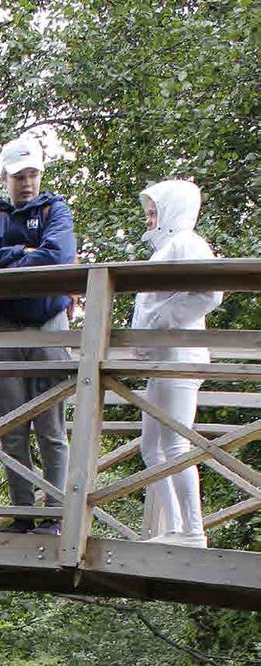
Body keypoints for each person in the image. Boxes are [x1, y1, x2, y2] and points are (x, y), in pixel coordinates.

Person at [0, 135, 76, 533]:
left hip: (49, 327)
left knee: (51, 428)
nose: (26, 183)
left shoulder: (56, 211)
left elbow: (57, 256)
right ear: (5, 177)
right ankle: (24, 514)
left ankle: (54, 515)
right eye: (18, 176)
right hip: (5, 330)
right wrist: (22, 254)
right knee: (11, 430)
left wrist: (9, 263)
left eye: (32, 174)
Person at [131, 179, 221, 547]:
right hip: (161, 359)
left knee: (175, 445)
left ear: (172, 211)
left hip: (180, 357)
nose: (150, 220)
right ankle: (172, 528)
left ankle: (193, 531)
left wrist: (160, 320)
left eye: (155, 212)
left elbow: (210, 293)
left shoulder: (187, 243)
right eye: (149, 213)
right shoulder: (167, 247)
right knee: (150, 446)